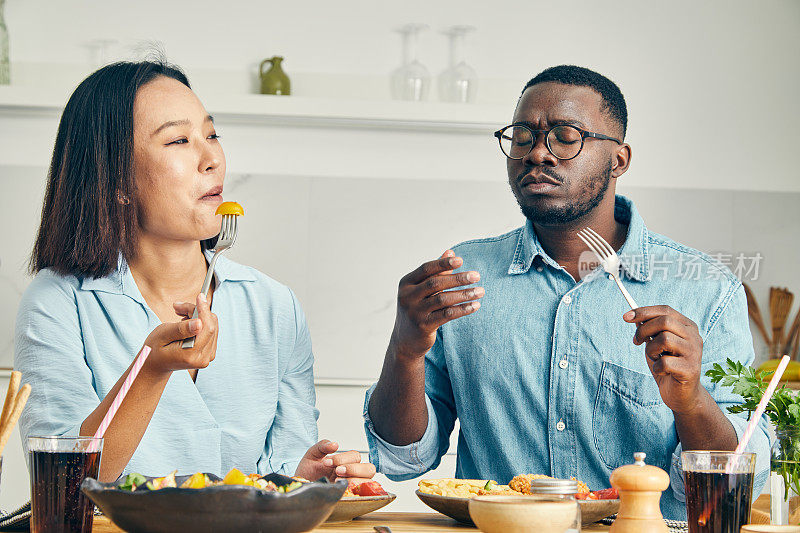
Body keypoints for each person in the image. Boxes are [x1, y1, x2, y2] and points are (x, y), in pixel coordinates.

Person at [364, 65, 770, 519]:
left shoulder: (707, 291)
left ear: (619, 160)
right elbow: (403, 460)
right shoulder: (462, 277)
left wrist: (692, 401)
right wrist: (404, 351)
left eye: (565, 135)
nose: (539, 153)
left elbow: (735, 491)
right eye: (523, 135)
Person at [16, 60, 374, 484]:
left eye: (212, 134)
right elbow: (61, 484)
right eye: (179, 140)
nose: (212, 159)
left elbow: (282, 475)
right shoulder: (58, 302)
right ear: (116, 181)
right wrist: (149, 370)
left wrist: (306, 478)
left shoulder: (274, 307)